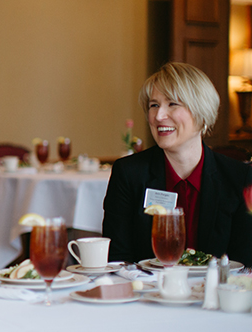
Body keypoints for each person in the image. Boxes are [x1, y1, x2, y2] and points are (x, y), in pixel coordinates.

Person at [103, 62, 252, 266]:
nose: (159, 116)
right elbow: (117, 259)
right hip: (148, 294)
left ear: (201, 113)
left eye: (172, 104)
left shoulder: (239, 177)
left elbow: (245, 263)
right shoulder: (129, 173)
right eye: (154, 105)